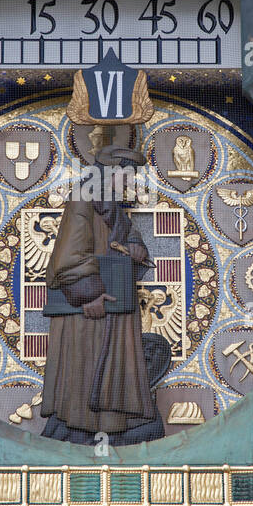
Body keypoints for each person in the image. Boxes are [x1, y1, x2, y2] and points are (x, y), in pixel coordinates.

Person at [40, 137, 170, 447]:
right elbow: (69, 254)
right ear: (111, 172)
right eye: (127, 175)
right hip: (92, 308)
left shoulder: (109, 204)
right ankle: (77, 430)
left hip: (113, 305)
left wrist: (135, 248)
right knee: (87, 366)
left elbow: (122, 239)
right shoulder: (84, 199)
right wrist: (88, 296)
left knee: (114, 366)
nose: (131, 181)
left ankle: (121, 429)